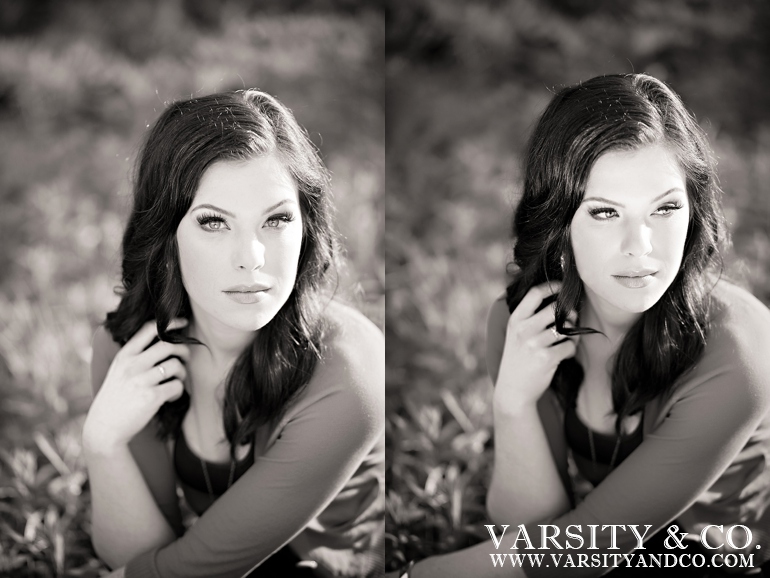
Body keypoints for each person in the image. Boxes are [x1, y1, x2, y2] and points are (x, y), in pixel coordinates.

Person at [392, 74, 770, 577]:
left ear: (694, 212)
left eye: (665, 208)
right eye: (605, 212)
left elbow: (578, 553)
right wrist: (514, 403)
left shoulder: (740, 348)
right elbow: (529, 530)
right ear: (559, 222)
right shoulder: (523, 323)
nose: (642, 246)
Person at [82, 89, 385, 578]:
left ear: (306, 227)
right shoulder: (130, 348)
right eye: (214, 222)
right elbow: (138, 555)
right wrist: (102, 441)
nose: (252, 257)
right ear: (166, 234)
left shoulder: (352, 369)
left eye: (277, 219)